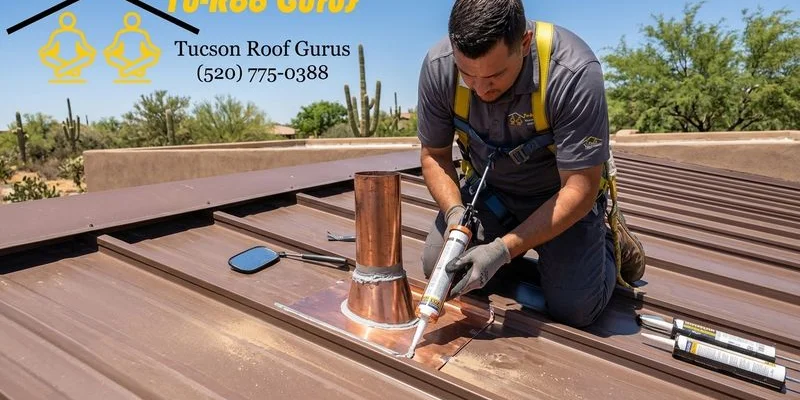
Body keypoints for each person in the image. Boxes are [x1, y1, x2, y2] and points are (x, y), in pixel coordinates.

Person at [416, 0, 646, 328]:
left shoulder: (572, 71)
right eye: (468, 74)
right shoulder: (439, 67)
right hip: (491, 196)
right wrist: (456, 215)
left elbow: (580, 187)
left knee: (575, 308)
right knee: (442, 273)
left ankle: (606, 244)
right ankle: (514, 247)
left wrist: (502, 250)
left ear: (523, 44)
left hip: (560, 200)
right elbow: (434, 156)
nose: (480, 89)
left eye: (494, 75)